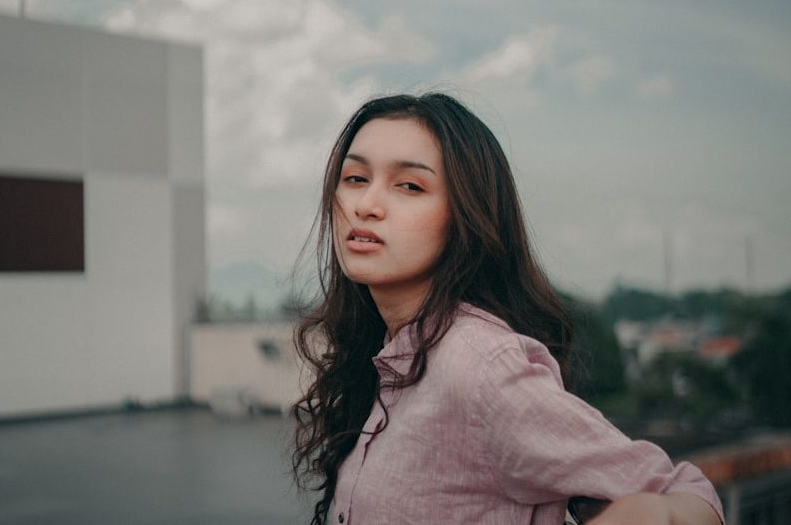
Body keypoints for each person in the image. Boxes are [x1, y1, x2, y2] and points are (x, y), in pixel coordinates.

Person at [292, 92, 724, 525]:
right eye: (355, 178)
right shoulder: (387, 355)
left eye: (410, 186)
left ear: (465, 214)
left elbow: (678, 493)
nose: (366, 205)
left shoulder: (479, 364)